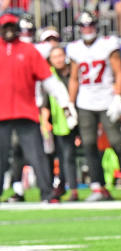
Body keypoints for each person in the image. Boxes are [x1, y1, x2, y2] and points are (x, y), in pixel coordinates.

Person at [0, 12, 76, 203]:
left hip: (26, 111)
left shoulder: (29, 51)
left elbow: (49, 80)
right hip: (1, 112)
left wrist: (65, 103)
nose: (9, 31)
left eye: (11, 27)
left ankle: (47, 193)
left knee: (37, 155)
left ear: (17, 29)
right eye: (5, 27)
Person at [67, 10, 121, 201]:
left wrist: (117, 96)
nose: (87, 29)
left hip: (107, 100)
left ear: (96, 25)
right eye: (83, 25)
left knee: (117, 142)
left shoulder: (107, 44)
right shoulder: (75, 49)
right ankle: (98, 187)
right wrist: (71, 104)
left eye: (90, 25)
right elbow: (74, 78)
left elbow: (119, 73)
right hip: (85, 102)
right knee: (88, 144)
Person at [47, 46, 80, 201]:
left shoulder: (74, 72)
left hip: (79, 117)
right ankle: (66, 188)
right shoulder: (49, 76)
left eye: (60, 55)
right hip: (60, 121)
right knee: (64, 156)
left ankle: (75, 189)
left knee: (69, 155)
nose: (59, 59)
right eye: (55, 57)